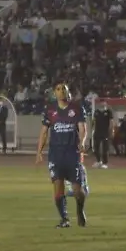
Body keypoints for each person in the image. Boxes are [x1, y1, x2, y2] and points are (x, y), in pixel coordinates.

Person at [36, 84, 89, 228]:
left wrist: (82, 142)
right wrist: (39, 152)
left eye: (64, 89)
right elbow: (44, 131)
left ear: (68, 92)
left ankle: (80, 211)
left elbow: (83, 128)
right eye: (58, 89)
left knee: (78, 190)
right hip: (55, 154)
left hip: (73, 154)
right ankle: (64, 219)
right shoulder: (50, 110)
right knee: (58, 187)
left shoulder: (77, 108)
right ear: (54, 93)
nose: (61, 91)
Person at [91, 101, 113, 169]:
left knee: (105, 149)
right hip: (97, 132)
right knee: (95, 147)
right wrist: (93, 130)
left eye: (104, 103)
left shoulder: (108, 112)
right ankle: (98, 161)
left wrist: (111, 131)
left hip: (105, 132)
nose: (102, 104)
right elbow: (94, 121)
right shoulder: (96, 112)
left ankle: (105, 163)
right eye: (101, 103)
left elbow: (111, 122)